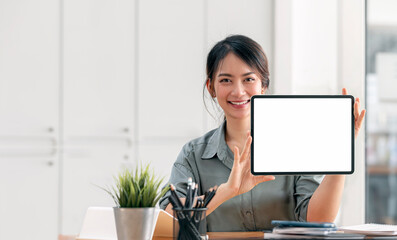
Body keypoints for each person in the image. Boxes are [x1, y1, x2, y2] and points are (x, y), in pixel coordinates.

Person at [159, 35, 366, 232]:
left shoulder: (295, 145)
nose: (238, 91)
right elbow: (168, 220)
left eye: (248, 79)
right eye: (225, 80)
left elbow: (318, 219)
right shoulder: (193, 155)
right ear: (211, 87)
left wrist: (340, 153)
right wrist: (226, 191)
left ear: (263, 85)